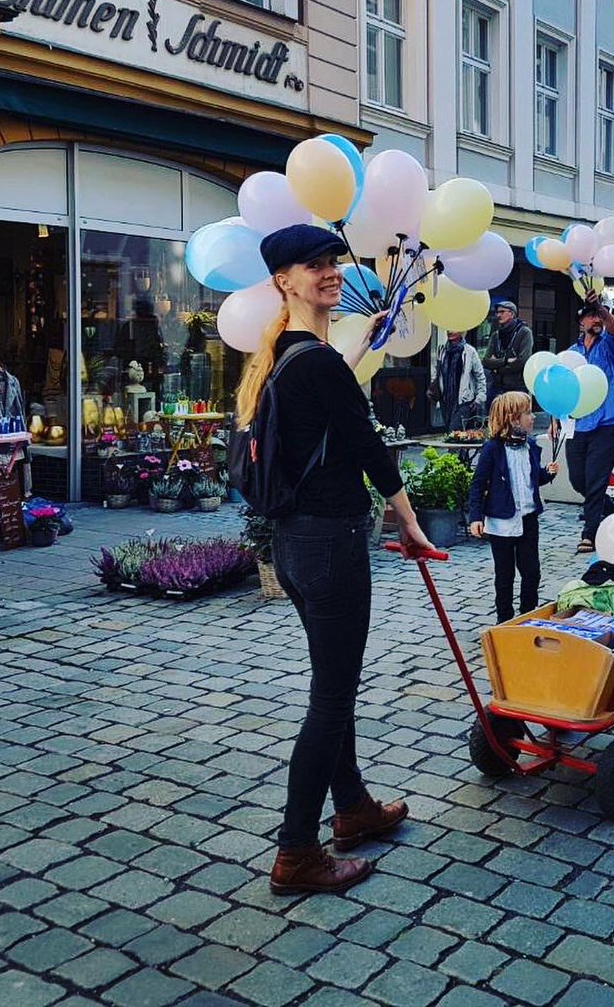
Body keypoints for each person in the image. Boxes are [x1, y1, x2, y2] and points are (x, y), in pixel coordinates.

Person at [236, 223, 433, 896]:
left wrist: (361, 338)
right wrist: (410, 522)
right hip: (331, 545)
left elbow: (328, 399)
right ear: (283, 281)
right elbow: (369, 449)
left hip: (296, 546)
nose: (328, 271)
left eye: (330, 260)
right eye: (311, 264)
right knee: (331, 699)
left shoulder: (283, 358)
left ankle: (352, 807)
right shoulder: (316, 363)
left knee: (333, 681)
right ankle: (297, 851)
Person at [467, 391, 558, 622]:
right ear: (513, 419)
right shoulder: (492, 449)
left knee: (532, 572)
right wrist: (475, 517)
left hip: (528, 518)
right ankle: (504, 619)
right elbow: (478, 484)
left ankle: (528, 614)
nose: (533, 417)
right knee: (504, 575)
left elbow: (531, 479)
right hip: (502, 522)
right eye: (528, 413)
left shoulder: (531, 446)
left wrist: (547, 473)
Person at [558, 293, 614, 554]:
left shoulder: (610, 346)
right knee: (579, 480)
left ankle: (590, 533)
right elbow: (561, 391)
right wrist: (556, 419)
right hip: (578, 424)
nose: (597, 320)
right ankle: (608, 507)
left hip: (608, 423)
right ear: (581, 322)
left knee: (597, 479)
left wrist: (599, 306)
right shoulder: (571, 354)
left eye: (599, 316)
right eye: (591, 316)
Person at [429, 330, 486, 430]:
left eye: (453, 329)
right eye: (448, 329)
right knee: (450, 430)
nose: (449, 331)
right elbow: (437, 372)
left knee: (454, 430)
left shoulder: (469, 351)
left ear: (461, 332)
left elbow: (480, 375)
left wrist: (480, 398)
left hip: (463, 401)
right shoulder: (442, 350)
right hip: (445, 400)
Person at [482, 301, 533, 400]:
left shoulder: (524, 333)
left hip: (516, 387)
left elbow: (522, 361)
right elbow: (486, 361)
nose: (498, 315)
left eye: (502, 312)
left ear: (512, 314)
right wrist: (506, 361)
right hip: (496, 386)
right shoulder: (496, 335)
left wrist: (497, 368)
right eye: (497, 312)